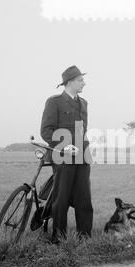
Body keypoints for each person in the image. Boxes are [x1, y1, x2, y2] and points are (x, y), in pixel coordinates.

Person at [40, 65, 93, 244]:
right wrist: (63, 147)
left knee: (84, 198)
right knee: (60, 199)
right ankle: (59, 239)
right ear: (70, 82)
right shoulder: (54, 102)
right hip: (62, 156)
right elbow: (46, 131)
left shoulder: (84, 103)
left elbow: (82, 129)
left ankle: (85, 238)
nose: (84, 83)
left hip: (82, 156)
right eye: (80, 80)